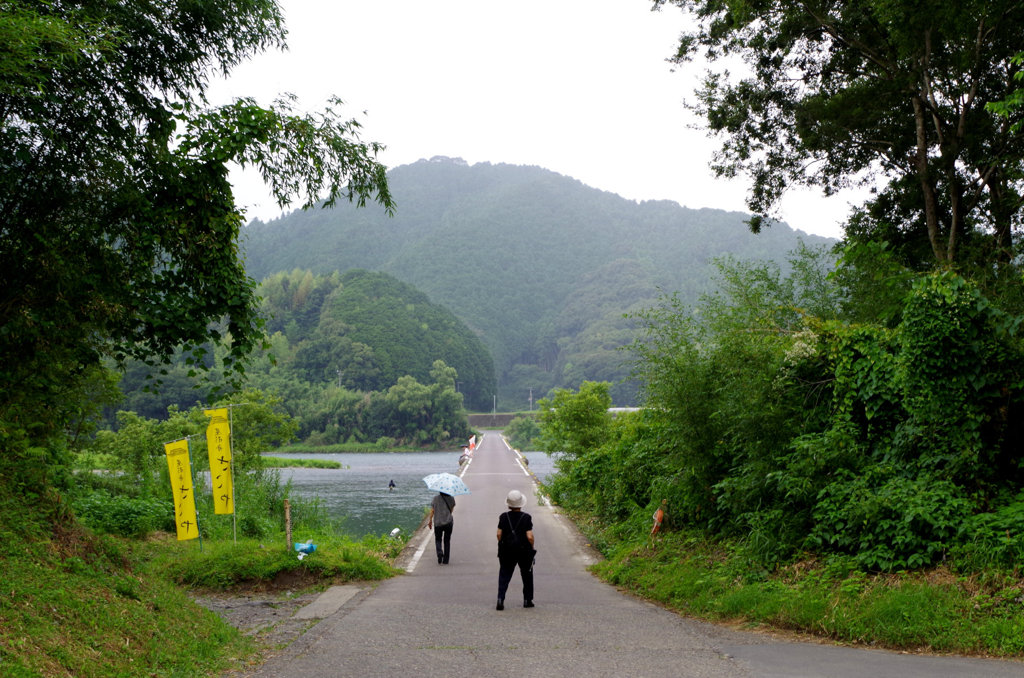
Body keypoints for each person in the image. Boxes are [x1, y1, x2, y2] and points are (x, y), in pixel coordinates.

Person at [495, 489, 535, 610]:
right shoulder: (526, 517)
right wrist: (532, 546)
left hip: (506, 551)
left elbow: (498, 534)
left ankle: (500, 599)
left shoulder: (503, 517)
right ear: (521, 503)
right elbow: (529, 536)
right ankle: (527, 600)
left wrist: (503, 544)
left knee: (504, 575)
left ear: (508, 504)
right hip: (524, 551)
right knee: (527, 575)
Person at [428, 491, 455, 564]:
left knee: (438, 539)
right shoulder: (451, 498)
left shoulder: (435, 499)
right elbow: (451, 510)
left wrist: (430, 520)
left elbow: (432, 511)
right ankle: (446, 560)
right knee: (447, 541)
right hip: (448, 522)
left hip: (438, 522)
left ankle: (439, 552)